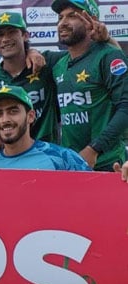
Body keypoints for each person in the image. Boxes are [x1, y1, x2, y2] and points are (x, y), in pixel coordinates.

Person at [51, 0, 128, 171]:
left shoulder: (109, 56)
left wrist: (94, 149)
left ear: (91, 21)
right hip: (70, 164)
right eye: (60, 17)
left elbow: (125, 107)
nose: (63, 23)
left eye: (72, 16)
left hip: (107, 163)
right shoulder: (58, 64)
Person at [0, 12, 60, 143]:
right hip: (9, 157)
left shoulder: (46, 64)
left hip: (48, 155)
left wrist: (106, 39)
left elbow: (78, 54)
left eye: (11, 32)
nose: (5, 39)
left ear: (25, 36)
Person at [0, 85, 90, 170]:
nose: (5, 120)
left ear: (30, 116)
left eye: (13, 111)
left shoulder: (63, 158)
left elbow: (93, 194)